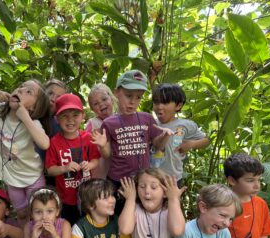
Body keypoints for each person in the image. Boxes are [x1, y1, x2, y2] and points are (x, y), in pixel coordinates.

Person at [0, 80, 50, 227]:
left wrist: (24, 116)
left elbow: (45, 143)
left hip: (33, 178)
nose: (21, 90)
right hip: (12, 178)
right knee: (21, 213)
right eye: (21, 87)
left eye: (29, 92)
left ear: (33, 107)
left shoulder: (33, 123)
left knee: (37, 214)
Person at [92, 70, 173, 215]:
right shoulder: (109, 123)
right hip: (118, 181)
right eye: (128, 96)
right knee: (118, 217)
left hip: (143, 181)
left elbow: (158, 145)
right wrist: (102, 144)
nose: (133, 101)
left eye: (138, 97)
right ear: (117, 93)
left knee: (141, 217)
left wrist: (165, 136)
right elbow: (107, 155)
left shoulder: (146, 118)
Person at [45, 94, 100, 225]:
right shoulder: (54, 142)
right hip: (66, 199)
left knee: (88, 225)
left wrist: (90, 165)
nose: (70, 120)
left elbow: (95, 159)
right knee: (69, 227)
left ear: (83, 116)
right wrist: (64, 168)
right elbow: (50, 170)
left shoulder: (88, 138)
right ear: (57, 119)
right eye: (64, 116)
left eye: (75, 115)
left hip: (87, 196)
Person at [151, 83, 209, 186]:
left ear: (178, 105)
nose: (159, 106)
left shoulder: (185, 125)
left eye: (165, 102)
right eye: (156, 102)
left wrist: (191, 144)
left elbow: (206, 141)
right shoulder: (151, 123)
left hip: (173, 179)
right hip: (150, 178)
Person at [85, 83, 116, 178]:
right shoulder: (93, 123)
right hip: (100, 169)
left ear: (111, 99)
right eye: (95, 104)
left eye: (104, 99)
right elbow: (86, 144)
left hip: (117, 168)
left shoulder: (120, 119)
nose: (101, 104)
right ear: (92, 109)